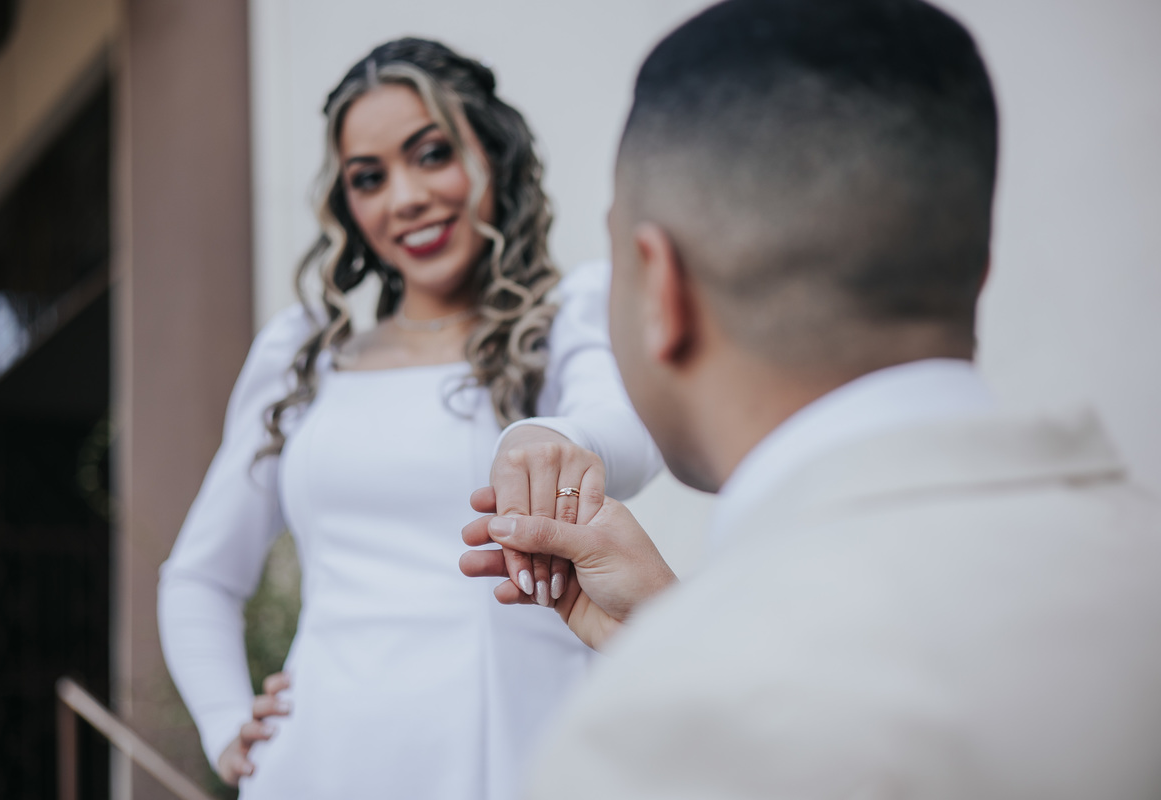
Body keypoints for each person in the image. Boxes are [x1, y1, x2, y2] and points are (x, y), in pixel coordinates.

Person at [461, 1, 1161, 797]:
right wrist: (670, 624)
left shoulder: (659, 730)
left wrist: (677, 663)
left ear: (660, 286)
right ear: (977, 269)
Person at [158, 38, 660, 800]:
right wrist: (227, 724)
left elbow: (630, 429)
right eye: (369, 177)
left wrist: (558, 440)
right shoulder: (303, 358)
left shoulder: (564, 320)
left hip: (514, 755)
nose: (405, 198)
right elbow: (199, 576)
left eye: (432, 155)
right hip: (319, 763)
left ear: (491, 155)